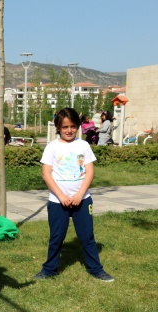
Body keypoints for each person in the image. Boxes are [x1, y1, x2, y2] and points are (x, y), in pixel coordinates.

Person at [33, 108, 114, 282]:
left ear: (78, 126)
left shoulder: (83, 145)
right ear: (58, 128)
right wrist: (61, 196)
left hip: (82, 200)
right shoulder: (52, 147)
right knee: (56, 238)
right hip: (57, 201)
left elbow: (90, 172)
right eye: (65, 127)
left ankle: (96, 269)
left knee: (87, 237)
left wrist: (80, 194)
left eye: (73, 126)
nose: (69, 130)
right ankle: (49, 269)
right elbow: (46, 174)